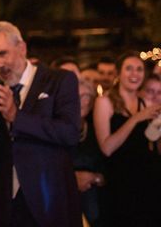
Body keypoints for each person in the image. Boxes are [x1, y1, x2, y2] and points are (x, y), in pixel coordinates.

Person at [0, 21, 82, 227]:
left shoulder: (59, 80)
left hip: (51, 199)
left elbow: (70, 133)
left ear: (22, 48)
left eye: (3, 53)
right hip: (7, 205)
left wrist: (15, 116)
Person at [93, 51, 161, 227]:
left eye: (139, 69)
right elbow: (107, 148)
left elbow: (152, 141)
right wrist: (136, 118)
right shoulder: (104, 102)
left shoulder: (145, 102)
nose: (134, 74)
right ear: (118, 73)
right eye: (129, 68)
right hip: (120, 184)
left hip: (149, 181)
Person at [73, 77, 105, 226]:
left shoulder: (97, 127)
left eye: (87, 97)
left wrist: (95, 178)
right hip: (66, 198)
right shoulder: (57, 128)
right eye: (77, 97)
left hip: (97, 199)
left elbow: (109, 164)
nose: (83, 102)